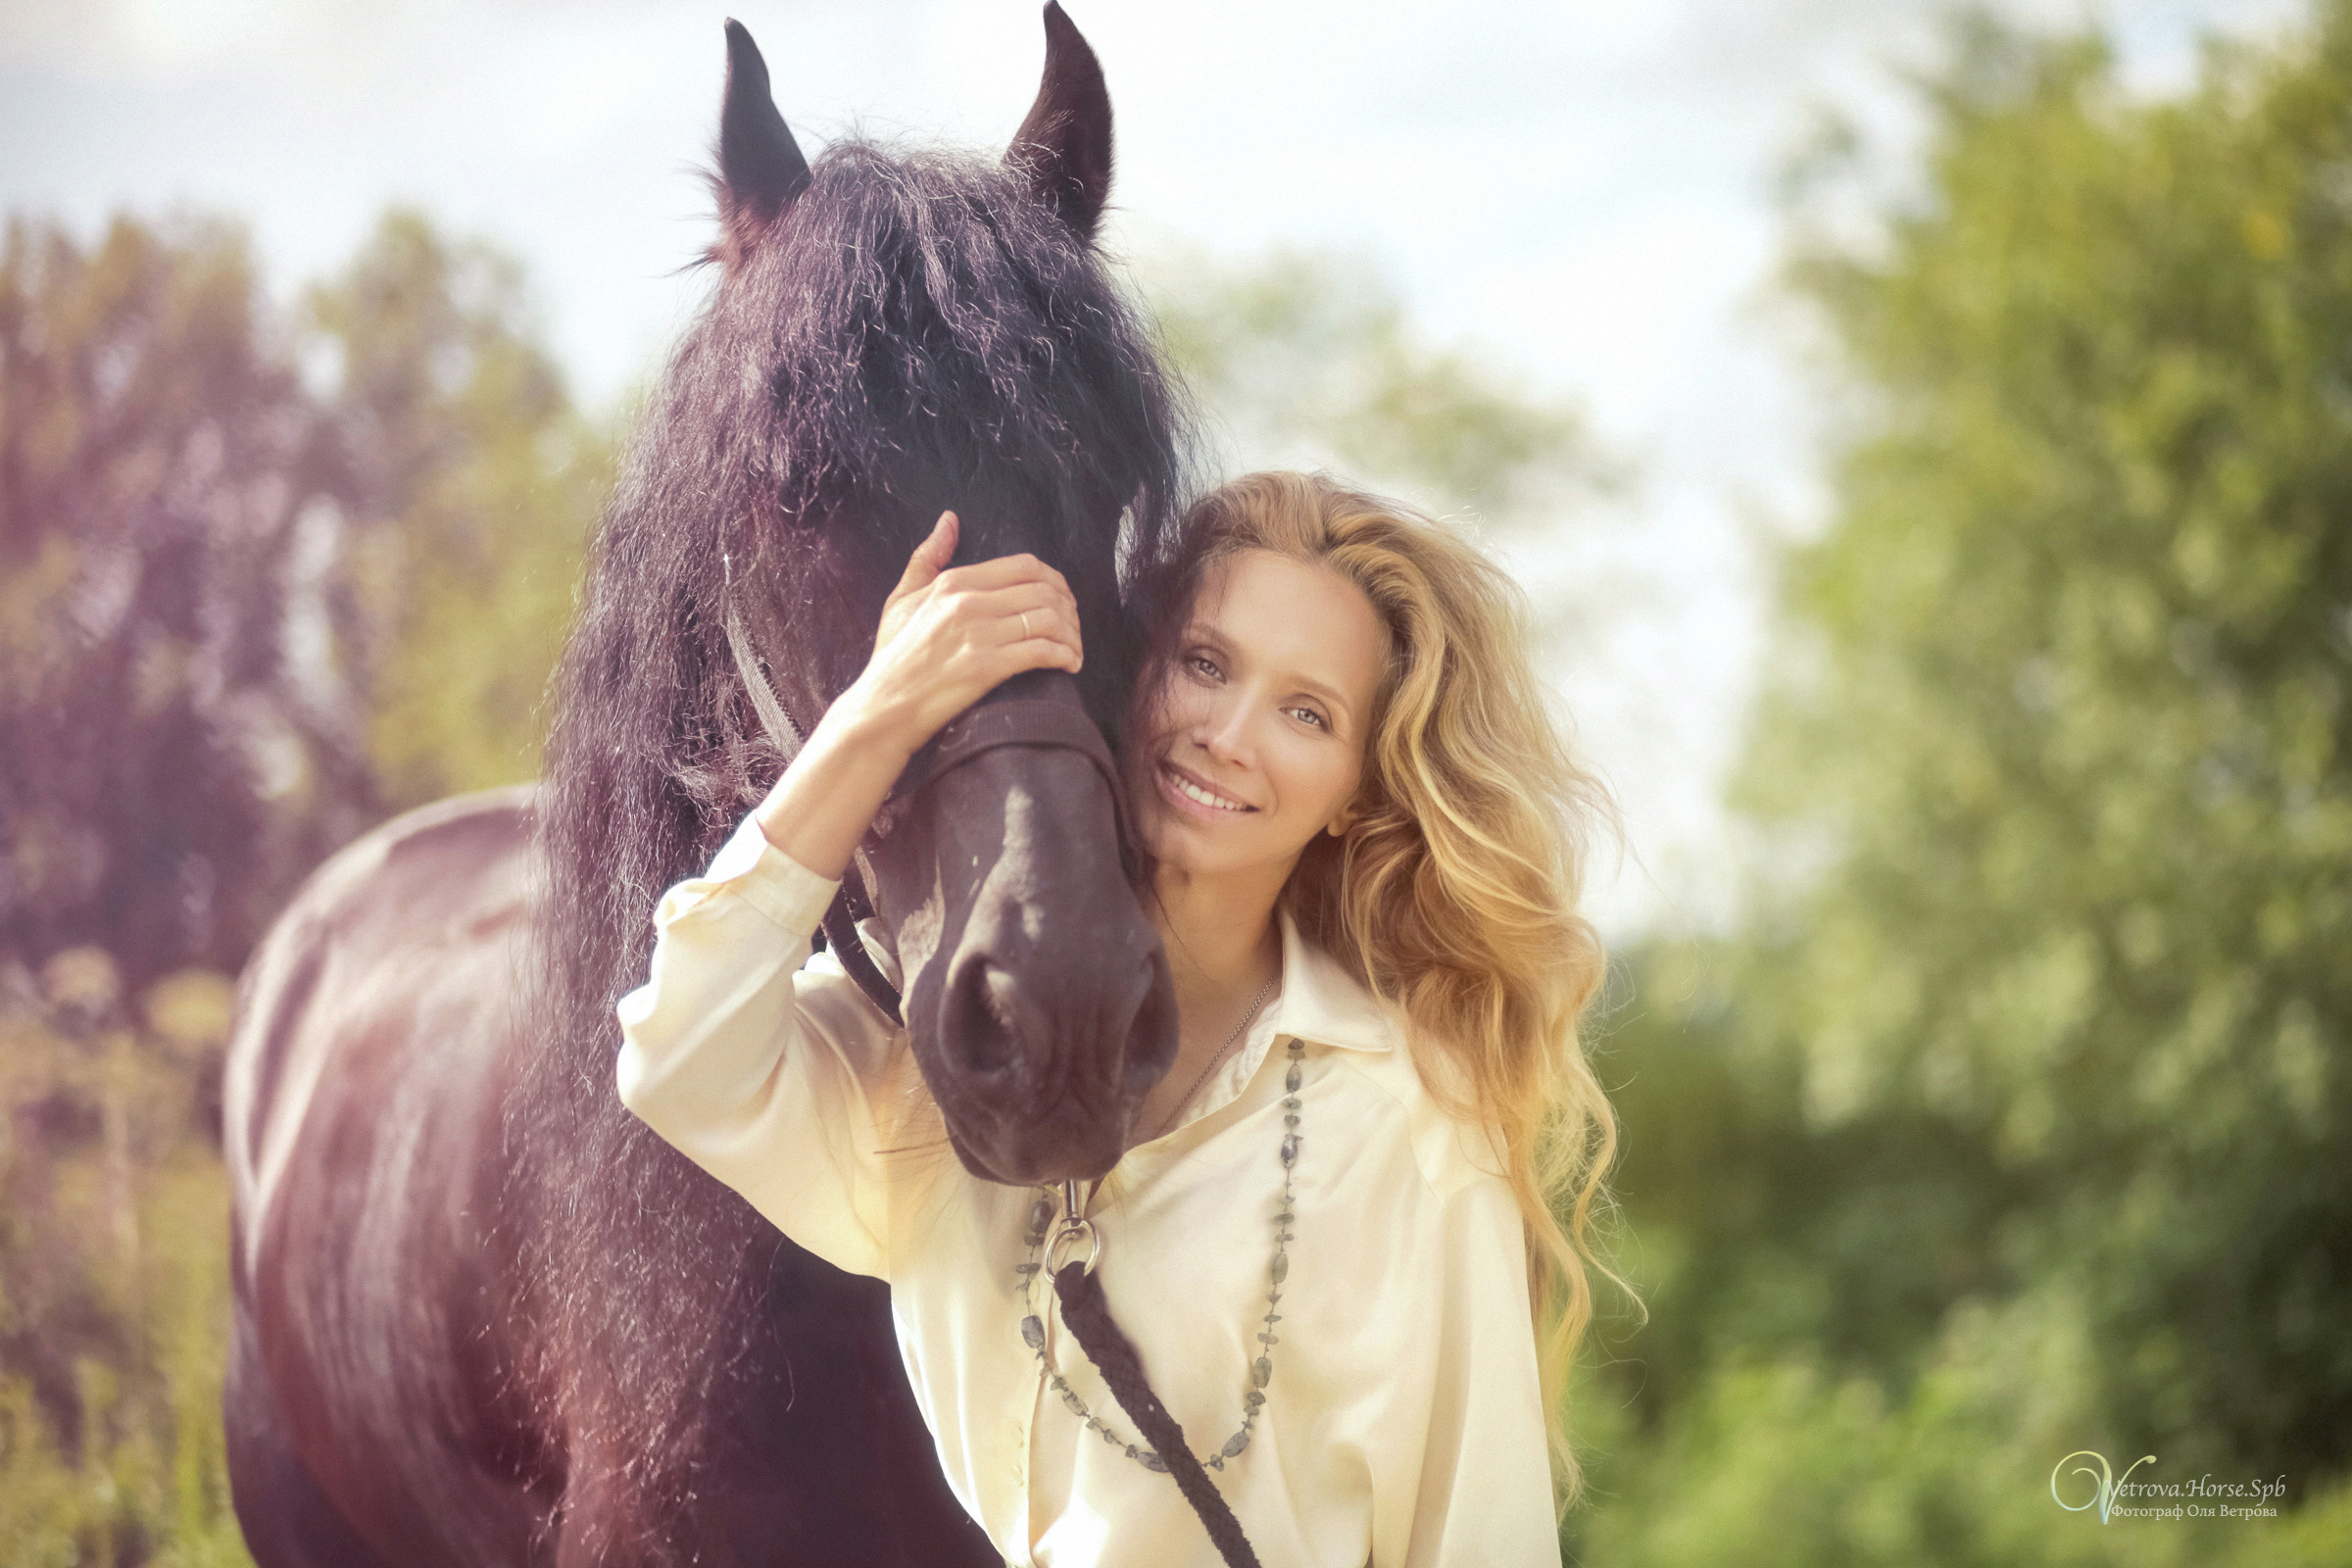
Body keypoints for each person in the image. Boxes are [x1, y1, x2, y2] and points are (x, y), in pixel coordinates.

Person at [614, 470, 1624, 1566]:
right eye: (1205, 664)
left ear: (1356, 794)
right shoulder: (963, 1042)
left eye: (1305, 712)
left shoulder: (1413, 1125)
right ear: (1134, 672)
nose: (1228, 736)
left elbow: (1482, 1537)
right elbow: (683, 1050)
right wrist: (881, 713)